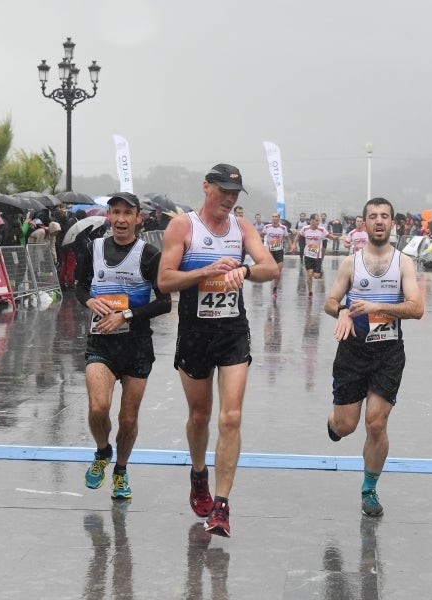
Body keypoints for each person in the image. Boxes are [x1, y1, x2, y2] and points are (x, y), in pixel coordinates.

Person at [158, 163, 277, 537]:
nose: (229, 198)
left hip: (231, 332)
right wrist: (206, 272)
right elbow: (165, 280)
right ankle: (198, 475)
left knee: (231, 416)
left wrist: (245, 270)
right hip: (194, 331)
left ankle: (222, 507)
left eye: (235, 193)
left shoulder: (242, 229)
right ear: (206, 187)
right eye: (223, 190)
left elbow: (270, 267)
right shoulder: (183, 227)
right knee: (199, 416)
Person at [325, 197, 424, 517]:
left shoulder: (404, 263)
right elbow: (330, 300)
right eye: (373, 216)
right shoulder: (351, 263)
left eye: (385, 216)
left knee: (376, 424)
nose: (379, 221)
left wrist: (377, 307)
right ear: (364, 223)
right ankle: (334, 421)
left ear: (393, 223)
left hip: (388, 352)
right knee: (346, 426)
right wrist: (341, 311)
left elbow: (416, 308)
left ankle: (369, 489)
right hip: (352, 350)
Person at [76, 192, 171, 501]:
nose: (120, 219)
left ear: (137, 218)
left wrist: (126, 315)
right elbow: (78, 286)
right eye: (115, 212)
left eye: (127, 213)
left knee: (127, 419)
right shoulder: (93, 249)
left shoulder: (149, 254)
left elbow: (166, 302)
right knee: (98, 407)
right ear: (109, 216)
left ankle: (120, 470)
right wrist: (88, 299)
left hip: (137, 346)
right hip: (101, 342)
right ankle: (103, 451)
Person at [291, 213, 340, 298]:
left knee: (316, 276)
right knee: (309, 274)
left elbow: (329, 236)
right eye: (317, 220)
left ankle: (316, 273)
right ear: (312, 221)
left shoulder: (321, 230)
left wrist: (337, 238)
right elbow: (298, 236)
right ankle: (310, 292)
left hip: (317, 256)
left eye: (319, 220)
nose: (318, 222)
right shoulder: (305, 229)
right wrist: (294, 244)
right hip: (308, 255)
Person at [262, 212, 290, 294]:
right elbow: (260, 235)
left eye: (276, 217)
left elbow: (287, 238)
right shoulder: (266, 227)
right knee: (271, 271)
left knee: (278, 271)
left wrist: (291, 246)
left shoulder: (283, 228)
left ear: (279, 218)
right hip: (269, 251)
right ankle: (271, 276)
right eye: (273, 216)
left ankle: (275, 288)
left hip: (279, 251)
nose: (274, 218)